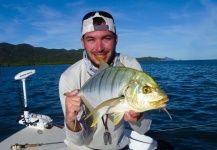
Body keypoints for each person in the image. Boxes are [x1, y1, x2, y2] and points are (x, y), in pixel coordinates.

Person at [59, 11, 152, 150]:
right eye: (91, 39)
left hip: (119, 146)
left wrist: (137, 117)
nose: (99, 48)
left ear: (116, 39)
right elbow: (77, 142)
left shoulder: (131, 67)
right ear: (83, 42)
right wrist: (70, 120)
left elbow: (143, 130)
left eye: (106, 38)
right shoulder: (69, 77)